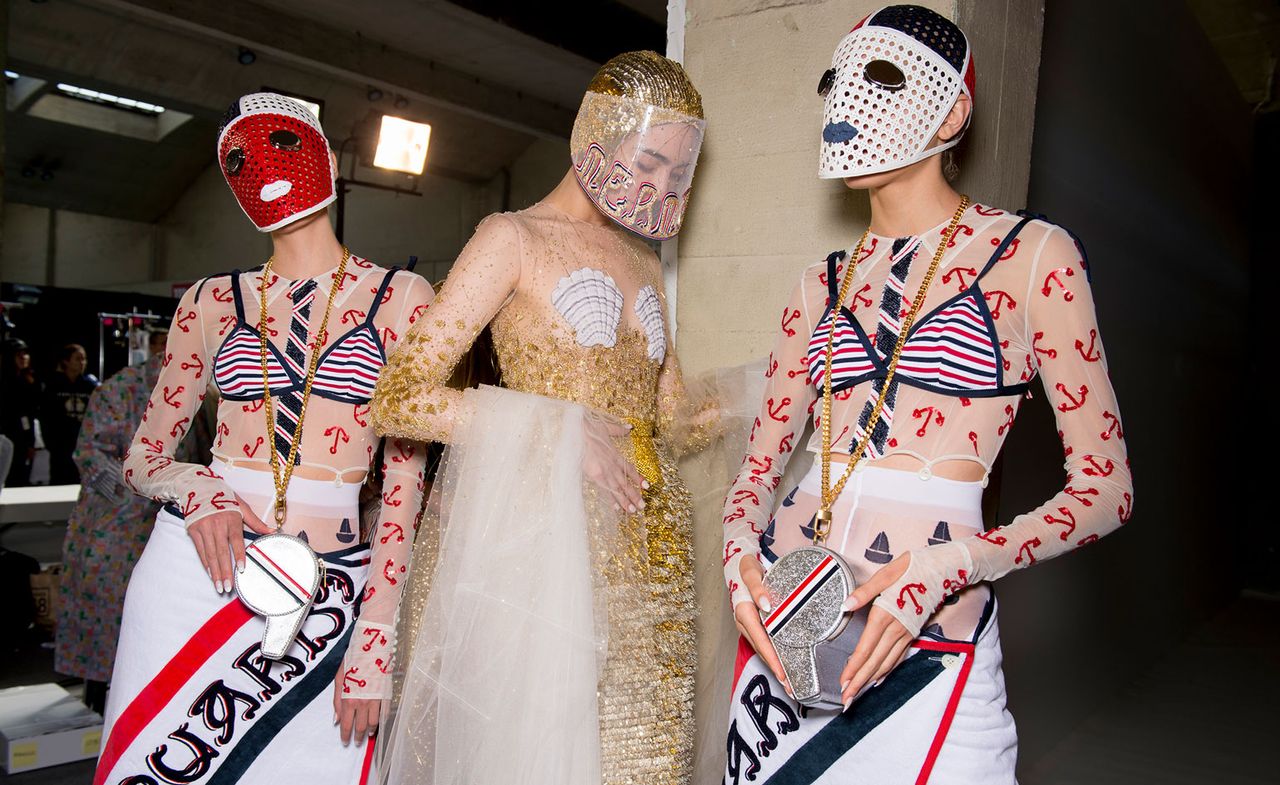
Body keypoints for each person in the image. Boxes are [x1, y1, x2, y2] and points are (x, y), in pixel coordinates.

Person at [720, 7, 1134, 784]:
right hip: (786, 635)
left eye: (879, 77)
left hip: (936, 641)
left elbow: (1107, 489)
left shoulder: (1033, 255)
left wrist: (950, 565)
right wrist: (737, 556)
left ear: (953, 109)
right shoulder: (820, 284)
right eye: (834, 81)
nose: (846, 102)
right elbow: (754, 473)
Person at [371, 51, 713, 785]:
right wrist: (553, 429)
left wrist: (782, 391)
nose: (655, 188)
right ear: (597, 132)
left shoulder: (645, 261)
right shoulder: (512, 238)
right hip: (543, 549)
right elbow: (397, 396)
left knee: (649, 766)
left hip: (655, 563)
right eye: (648, 162)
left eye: (675, 178)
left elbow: (672, 418)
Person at [95, 92, 432, 785]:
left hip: (332, 591)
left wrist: (376, 634)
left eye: (278, 142)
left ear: (325, 155)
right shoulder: (208, 302)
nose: (259, 167)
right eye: (236, 159)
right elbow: (143, 457)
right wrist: (197, 488)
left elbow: (406, 479)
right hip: (195, 579)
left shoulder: (401, 297)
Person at [55, 330, 212, 714]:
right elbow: (89, 454)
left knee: (152, 621)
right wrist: (138, 491)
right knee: (104, 617)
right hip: (114, 528)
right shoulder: (119, 389)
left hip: (163, 524)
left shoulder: (195, 392)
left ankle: (138, 702)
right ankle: (97, 702)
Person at [42, 343, 99, 485]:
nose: (82, 363)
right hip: (60, 444)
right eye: (78, 359)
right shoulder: (53, 385)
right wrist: (51, 442)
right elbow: (46, 415)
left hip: (83, 444)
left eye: (84, 359)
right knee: (60, 480)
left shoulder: (90, 385)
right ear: (66, 361)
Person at [2, 339, 42, 486]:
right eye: (18, 354)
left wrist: (30, 443)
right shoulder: (5, 382)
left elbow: (29, 415)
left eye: (25, 354)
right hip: (7, 436)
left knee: (20, 477)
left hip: (23, 438)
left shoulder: (29, 380)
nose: (23, 357)